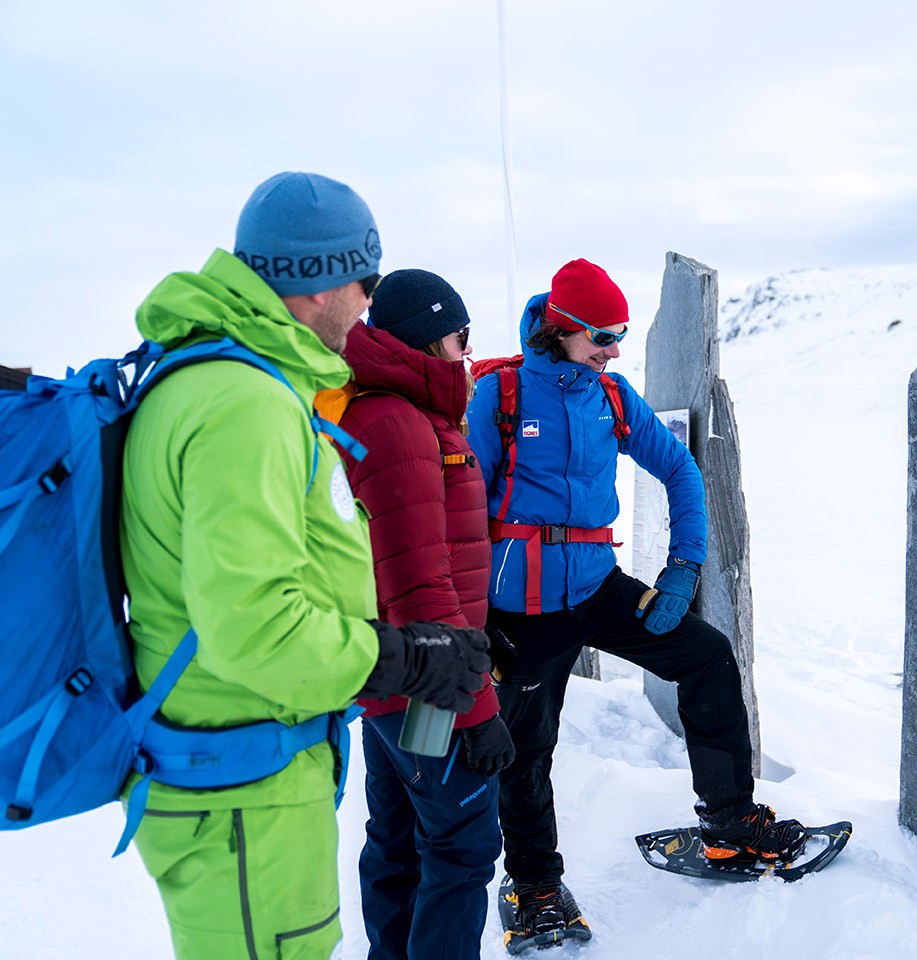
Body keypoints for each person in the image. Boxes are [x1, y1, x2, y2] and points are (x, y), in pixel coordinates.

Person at [119, 172, 492, 960]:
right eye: (365, 280)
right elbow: (254, 627)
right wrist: (402, 657)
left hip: (244, 770)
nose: (368, 304)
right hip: (241, 785)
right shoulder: (244, 404)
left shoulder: (223, 380)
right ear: (318, 281)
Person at [466, 258, 809, 940]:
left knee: (707, 657)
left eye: (620, 333)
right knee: (526, 750)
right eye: (602, 335)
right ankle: (534, 885)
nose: (614, 348)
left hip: (597, 589)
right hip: (521, 608)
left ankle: (728, 824)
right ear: (562, 330)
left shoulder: (612, 397)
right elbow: (464, 509)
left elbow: (679, 467)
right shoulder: (501, 397)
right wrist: (476, 619)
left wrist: (683, 567)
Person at [335, 269, 513, 959]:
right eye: (459, 333)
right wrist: (478, 708)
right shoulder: (401, 424)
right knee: (463, 846)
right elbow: (416, 579)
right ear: (426, 335)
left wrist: (481, 634)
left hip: (401, 680)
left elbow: (420, 558)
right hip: (427, 689)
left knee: (401, 841)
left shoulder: (403, 412)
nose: (467, 346)